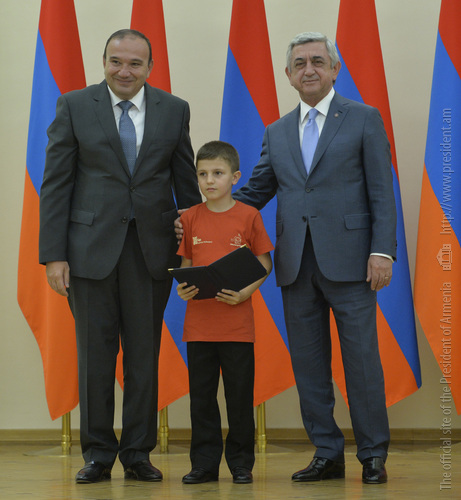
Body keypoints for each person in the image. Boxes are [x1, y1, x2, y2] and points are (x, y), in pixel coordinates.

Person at [176, 31, 396, 485]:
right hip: (295, 265)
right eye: (299, 64)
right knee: (309, 365)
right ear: (288, 75)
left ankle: (373, 454)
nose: (308, 69)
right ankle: (326, 453)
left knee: (361, 363)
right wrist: (201, 214)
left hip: (353, 262)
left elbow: (381, 189)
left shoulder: (363, 118)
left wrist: (381, 251)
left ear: (334, 69)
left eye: (317, 61)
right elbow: (255, 192)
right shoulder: (276, 132)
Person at [39, 29, 202, 484]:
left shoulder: (174, 109)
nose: (124, 71)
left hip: (153, 252)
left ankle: (137, 453)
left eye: (134, 63)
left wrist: (194, 246)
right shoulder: (74, 106)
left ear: (150, 67)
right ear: (104, 62)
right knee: (94, 357)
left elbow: (185, 186)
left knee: (143, 357)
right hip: (88, 253)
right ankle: (97, 454)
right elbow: (56, 184)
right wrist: (54, 255)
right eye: (116, 61)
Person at [176, 141, 273, 485]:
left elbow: (264, 263)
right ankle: (204, 464)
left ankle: (241, 464)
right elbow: (186, 266)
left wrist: (245, 293)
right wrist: (183, 287)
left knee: (239, 397)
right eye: (202, 174)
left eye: (217, 173)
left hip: (237, 327)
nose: (209, 181)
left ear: (235, 177)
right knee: (202, 399)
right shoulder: (189, 217)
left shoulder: (249, 216)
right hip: (199, 327)